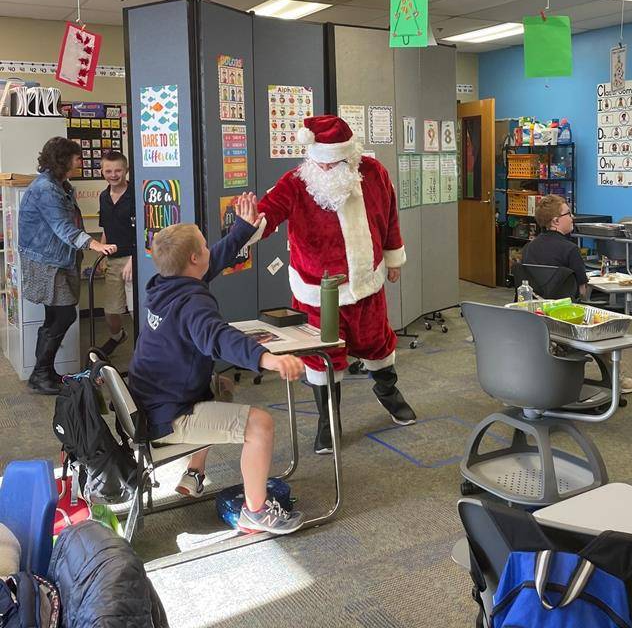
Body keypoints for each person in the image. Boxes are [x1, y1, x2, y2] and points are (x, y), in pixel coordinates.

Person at [127, 197, 306, 535]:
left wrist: (243, 229)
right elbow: (218, 337)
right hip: (167, 416)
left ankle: (195, 472)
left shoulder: (164, 285)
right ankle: (255, 513)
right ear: (194, 258)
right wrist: (266, 358)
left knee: (221, 387)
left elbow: (214, 260)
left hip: (149, 401)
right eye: (204, 246)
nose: (210, 249)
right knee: (260, 425)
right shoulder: (192, 302)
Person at [254, 114, 416, 455]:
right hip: (319, 292)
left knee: (378, 344)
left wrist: (393, 258)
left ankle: (389, 392)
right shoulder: (296, 182)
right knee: (322, 357)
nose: (328, 172)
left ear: (350, 156)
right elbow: (266, 215)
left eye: (336, 165)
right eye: (323, 165)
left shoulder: (373, 173)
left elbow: (389, 217)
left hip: (366, 283)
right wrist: (247, 225)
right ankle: (328, 421)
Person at [18, 137, 117, 395]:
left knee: (54, 316)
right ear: (63, 159)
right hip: (46, 263)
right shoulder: (46, 188)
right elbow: (62, 227)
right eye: (76, 157)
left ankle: (44, 373)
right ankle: (41, 374)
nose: (80, 161)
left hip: (56, 260)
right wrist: (94, 245)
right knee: (63, 315)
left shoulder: (61, 185)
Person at [522, 194, 632, 395]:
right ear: (556, 221)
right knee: (603, 323)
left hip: (536, 316)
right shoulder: (570, 249)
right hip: (567, 319)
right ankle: (616, 378)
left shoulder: (529, 247)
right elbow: (583, 290)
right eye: (568, 213)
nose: (572, 217)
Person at [97, 151, 135, 357]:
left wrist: (134, 261)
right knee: (111, 310)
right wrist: (101, 253)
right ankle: (117, 336)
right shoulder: (103, 196)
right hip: (112, 259)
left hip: (133, 259)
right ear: (102, 171)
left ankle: (146, 346)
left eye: (118, 170)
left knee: (134, 310)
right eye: (108, 170)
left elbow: (145, 231)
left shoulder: (136, 194)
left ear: (126, 170)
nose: (113, 174)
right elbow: (106, 228)